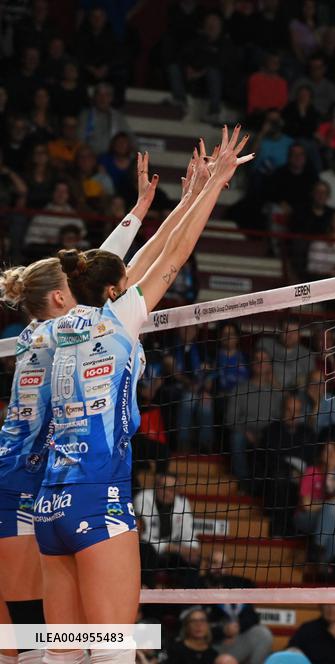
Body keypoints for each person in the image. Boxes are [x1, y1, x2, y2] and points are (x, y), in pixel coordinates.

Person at [34, 127, 252, 664]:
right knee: (112, 652)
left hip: (49, 504)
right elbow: (171, 259)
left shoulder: (51, 330)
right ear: (114, 291)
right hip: (98, 497)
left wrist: (177, 199)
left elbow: (124, 260)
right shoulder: (117, 323)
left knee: (60, 654)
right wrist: (213, 188)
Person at [0, 152, 159, 664]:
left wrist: (137, 211)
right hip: (42, 494)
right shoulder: (75, 332)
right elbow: (125, 274)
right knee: (45, 649)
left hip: (26, 491)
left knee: (39, 648)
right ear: (62, 299)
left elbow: (91, 272)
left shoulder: (37, 334)